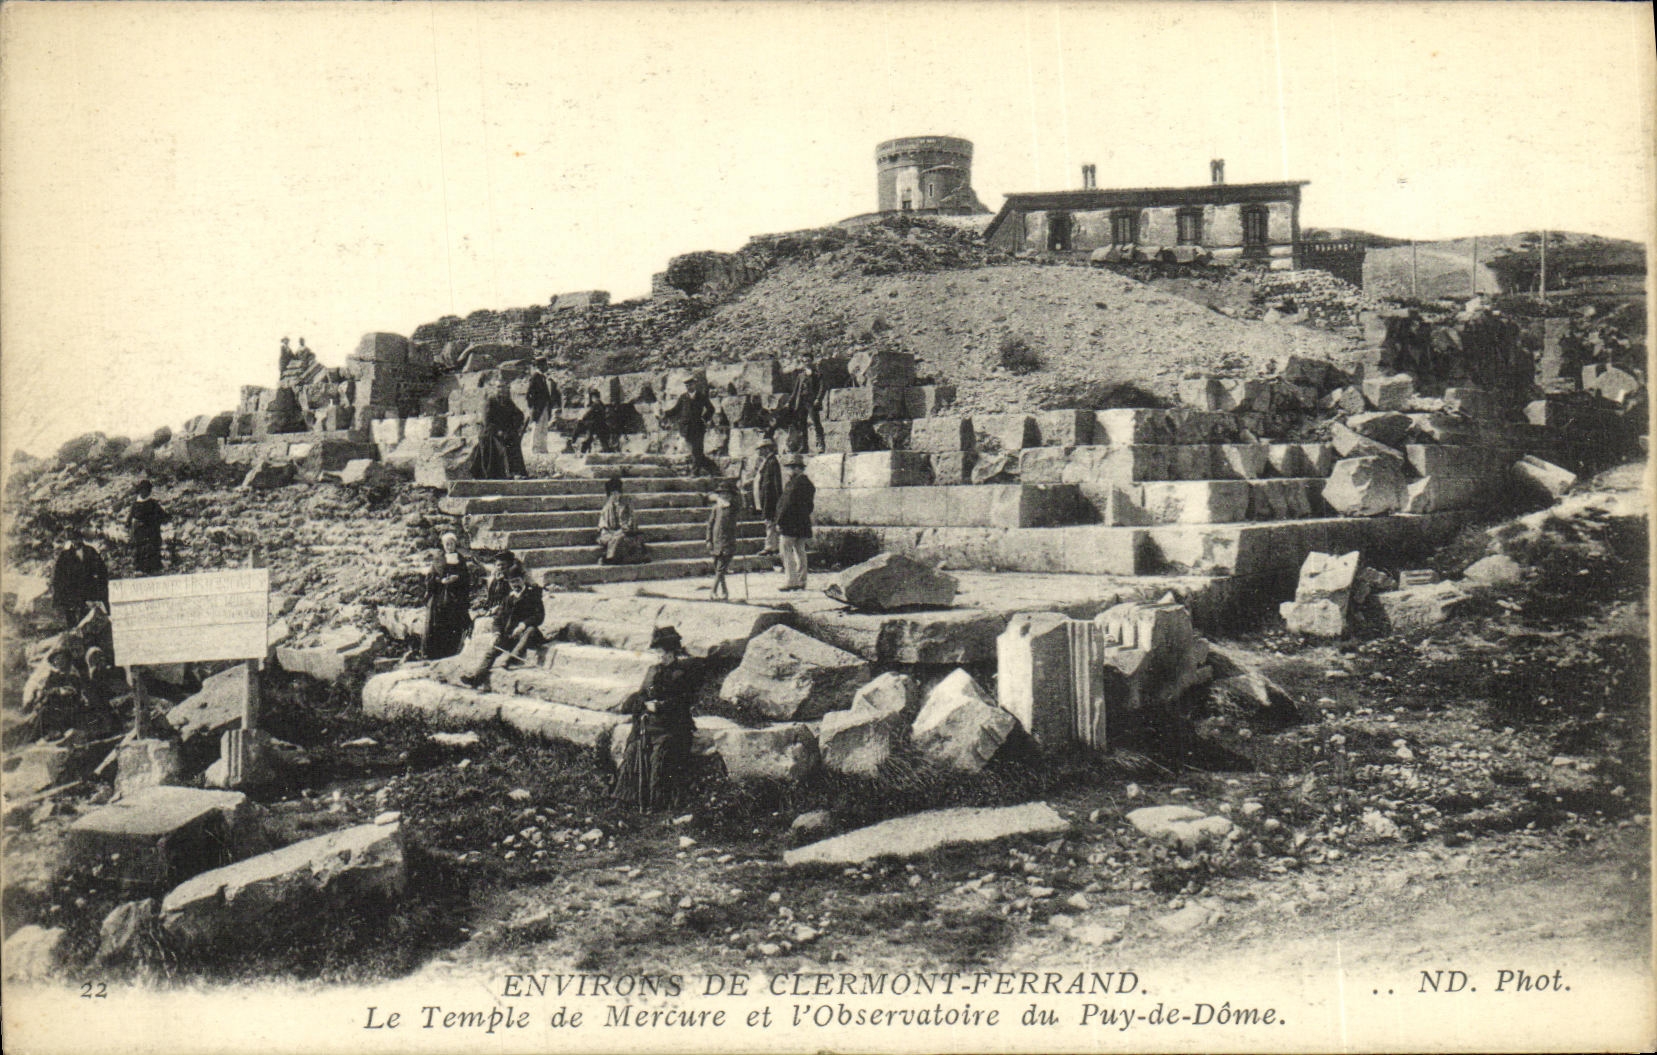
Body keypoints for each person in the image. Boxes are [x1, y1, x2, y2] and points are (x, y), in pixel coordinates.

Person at [612, 626, 697, 812]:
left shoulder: (683, 673)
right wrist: (639, 701)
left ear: (672, 652)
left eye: (663, 652)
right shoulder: (653, 671)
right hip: (648, 725)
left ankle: (655, 803)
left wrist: (660, 706)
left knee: (659, 757)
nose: (660, 656)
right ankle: (624, 800)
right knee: (632, 751)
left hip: (671, 727)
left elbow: (684, 701)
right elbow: (643, 693)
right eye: (658, 652)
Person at [464, 560, 544, 686]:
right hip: (511, 636)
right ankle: (476, 678)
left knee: (531, 629)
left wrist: (523, 625)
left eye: (517, 580)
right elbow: (498, 619)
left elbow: (539, 616)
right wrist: (496, 633)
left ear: (523, 579)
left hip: (528, 635)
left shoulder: (532, 595)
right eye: (512, 582)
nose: (515, 584)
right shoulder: (508, 599)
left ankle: (511, 659)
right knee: (491, 650)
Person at [422, 532, 473, 660]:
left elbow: (466, 577)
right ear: (443, 545)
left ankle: (452, 651)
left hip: (456, 594)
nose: (449, 546)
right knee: (439, 621)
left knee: (455, 621)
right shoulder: (438, 559)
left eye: (451, 544)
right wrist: (441, 581)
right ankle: (437, 653)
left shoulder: (460, 559)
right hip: (440, 595)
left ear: (455, 544)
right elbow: (431, 577)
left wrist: (458, 578)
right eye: (447, 544)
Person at [468, 379, 528, 479]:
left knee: (513, 441)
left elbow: (519, 414)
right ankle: (504, 473)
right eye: (499, 387)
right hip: (489, 433)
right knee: (501, 447)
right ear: (494, 389)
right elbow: (487, 421)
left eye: (503, 387)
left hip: (504, 432)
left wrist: (514, 427)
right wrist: (498, 431)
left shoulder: (508, 401)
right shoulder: (490, 402)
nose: (501, 390)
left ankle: (517, 472)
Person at [51, 529, 110, 629]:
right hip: (72, 593)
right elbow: (59, 576)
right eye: (73, 540)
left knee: (88, 619)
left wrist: (98, 585)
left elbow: (102, 570)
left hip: (89, 592)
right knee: (72, 619)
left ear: (81, 539)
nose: (75, 542)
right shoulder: (65, 555)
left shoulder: (90, 551)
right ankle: (73, 632)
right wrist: (60, 594)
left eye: (77, 539)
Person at [776, 453, 815, 592]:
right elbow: (810, 506)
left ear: (798, 468)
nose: (788, 471)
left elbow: (786, 505)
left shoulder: (793, 484)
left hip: (790, 523)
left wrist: (779, 521)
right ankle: (801, 580)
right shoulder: (808, 484)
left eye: (791, 468)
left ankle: (791, 581)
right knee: (800, 551)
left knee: (786, 551)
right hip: (802, 522)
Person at [596, 476, 648, 565]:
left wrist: (624, 528)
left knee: (619, 538)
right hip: (611, 532)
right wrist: (604, 530)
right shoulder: (607, 507)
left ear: (620, 493)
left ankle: (609, 558)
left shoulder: (627, 504)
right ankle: (613, 556)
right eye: (612, 494)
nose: (615, 496)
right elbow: (602, 522)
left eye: (617, 493)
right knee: (608, 538)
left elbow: (631, 519)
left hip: (625, 532)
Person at [672, 378, 717, 477]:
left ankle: (695, 472)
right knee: (697, 452)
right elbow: (675, 410)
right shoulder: (683, 397)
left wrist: (704, 419)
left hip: (698, 428)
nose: (689, 387)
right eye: (687, 386)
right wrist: (665, 414)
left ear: (694, 385)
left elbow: (711, 409)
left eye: (690, 385)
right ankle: (713, 468)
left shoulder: (701, 396)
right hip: (686, 429)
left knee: (697, 450)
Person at [126, 480, 170, 575]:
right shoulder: (135, 504)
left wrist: (158, 520)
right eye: (142, 490)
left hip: (152, 531)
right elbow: (130, 517)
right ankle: (141, 569)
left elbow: (163, 516)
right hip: (140, 532)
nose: (144, 492)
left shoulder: (153, 504)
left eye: (146, 490)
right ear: (139, 491)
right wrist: (129, 525)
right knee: (140, 549)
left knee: (152, 549)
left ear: (149, 491)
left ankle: (154, 569)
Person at [705, 478, 739, 601]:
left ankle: (713, 591)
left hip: (728, 542)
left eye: (728, 494)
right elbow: (710, 525)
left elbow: (741, 502)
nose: (725, 496)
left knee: (721, 568)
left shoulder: (733, 508)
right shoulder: (716, 508)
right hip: (716, 542)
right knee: (719, 569)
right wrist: (708, 540)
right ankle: (724, 591)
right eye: (723, 493)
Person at [751, 437, 783, 557]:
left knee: (770, 522)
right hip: (766, 498)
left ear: (766, 449)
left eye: (761, 449)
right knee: (769, 522)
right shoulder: (766, 462)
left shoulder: (772, 462)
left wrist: (778, 500)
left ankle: (770, 547)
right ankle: (773, 546)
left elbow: (776, 483)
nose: (759, 451)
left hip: (771, 498)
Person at [789, 357, 826, 453]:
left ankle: (820, 444)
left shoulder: (817, 374)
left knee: (816, 422)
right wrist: (790, 401)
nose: (806, 363)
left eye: (808, 360)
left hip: (811, 402)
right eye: (804, 361)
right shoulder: (800, 376)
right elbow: (796, 390)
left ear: (812, 361)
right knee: (802, 424)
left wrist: (818, 399)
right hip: (801, 401)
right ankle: (804, 446)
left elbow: (822, 387)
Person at [525, 361, 559, 455]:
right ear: (540, 366)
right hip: (538, 407)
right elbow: (529, 394)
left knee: (544, 427)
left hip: (545, 406)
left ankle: (543, 448)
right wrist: (532, 406)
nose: (546, 367)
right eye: (544, 365)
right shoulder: (535, 377)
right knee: (537, 427)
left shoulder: (543, 378)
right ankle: (535, 448)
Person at [571, 389, 614, 454]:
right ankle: (606, 450)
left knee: (582, 428)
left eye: (592, 397)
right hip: (600, 424)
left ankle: (575, 443)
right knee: (600, 439)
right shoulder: (601, 404)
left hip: (594, 424)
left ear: (593, 397)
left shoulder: (595, 404)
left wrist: (583, 418)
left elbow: (587, 414)